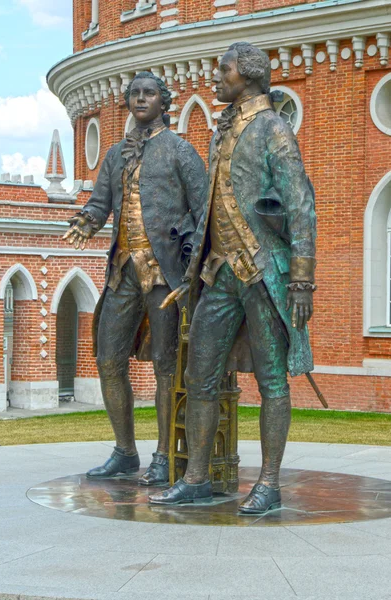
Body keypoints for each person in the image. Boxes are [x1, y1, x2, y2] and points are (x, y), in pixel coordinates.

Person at [150, 43, 316, 512]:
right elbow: (211, 208)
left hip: (262, 274)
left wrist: (302, 280)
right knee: (201, 373)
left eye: (224, 69)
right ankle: (197, 478)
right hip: (219, 272)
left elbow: (300, 203)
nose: (216, 76)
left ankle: (268, 484)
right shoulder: (221, 131)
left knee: (272, 382)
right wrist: (190, 273)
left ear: (248, 75)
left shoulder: (273, 128)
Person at [63, 72, 207, 486]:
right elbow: (99, 204)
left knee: (165, 366)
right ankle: (125, 452)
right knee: (108, 359)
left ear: (164, 101)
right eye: (134, 94)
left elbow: (203, 213)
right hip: (123, 271)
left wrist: (192, 271)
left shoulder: (180, 151)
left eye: (149, 93)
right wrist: (87, 222)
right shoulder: (115, 154)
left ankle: (163, 455)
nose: (140, 99)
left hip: (164, 275)